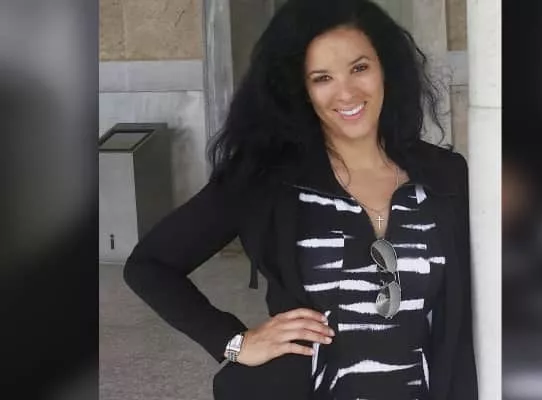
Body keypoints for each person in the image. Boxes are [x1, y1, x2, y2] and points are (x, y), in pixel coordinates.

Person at [123, 0, 478, 399]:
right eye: (322, 77)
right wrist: (233, 341)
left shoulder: (446, 176)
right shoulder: (266, 180)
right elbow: (149, 265)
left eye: (359, 68)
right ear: (300, 89)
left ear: (386, 69)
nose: (347, 92)